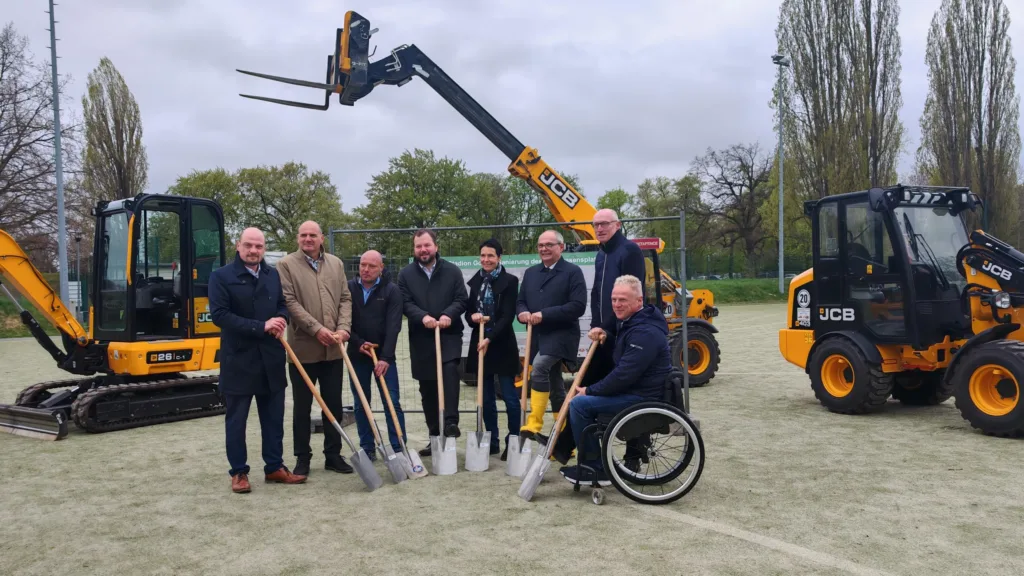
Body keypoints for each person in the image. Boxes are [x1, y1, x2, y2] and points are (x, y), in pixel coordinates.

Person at [208, 227, 307, 493]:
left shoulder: (272, 275)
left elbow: (282, 305)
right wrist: (261, 326)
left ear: (264, 249)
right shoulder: (221, 277)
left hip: (271, 360)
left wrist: (281, 319)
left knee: (274, 418)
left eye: (259, 246)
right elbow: (220, 315)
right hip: (239, 361)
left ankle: (274, 467)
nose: (254, 251)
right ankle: (239, 472)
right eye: (249, 245)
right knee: (237, 421)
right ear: (238, 246)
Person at [561, 274, 673, 485]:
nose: (617, 304)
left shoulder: (645, 332)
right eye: (614, 299)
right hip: (636, 390)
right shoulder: (633, 322)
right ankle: (588, 457)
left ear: (639, 301)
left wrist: (591, 390)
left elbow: (624, 375)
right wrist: (608, 337)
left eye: (623, 300)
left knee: (579, 404)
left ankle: (596, 467)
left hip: (641, 397)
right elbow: (626, 358)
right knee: (583, 401)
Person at [276, 221, 355, 476]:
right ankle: (303, 458)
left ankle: (333, 455)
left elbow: (345, 298)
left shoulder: (336, 263)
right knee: (302, 406)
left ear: (321, 238)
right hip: (303, 351)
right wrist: (316, 329)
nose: (308, 239)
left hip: (333, 349)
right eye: (303, 235)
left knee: (333, 404)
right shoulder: (286, 265)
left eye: (313, 235)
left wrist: (343, 329)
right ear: (298, 238)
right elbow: (288, 301)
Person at [396, 228, 470, 456]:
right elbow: (405, 302)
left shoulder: (452, 271)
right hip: (422, 337)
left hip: (448, 335)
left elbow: (461, 299)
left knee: (449, 373)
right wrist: (423, 317)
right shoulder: (405, 274)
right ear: (414, 249)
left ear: (436, 246)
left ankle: (450, 423)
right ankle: (435, 435)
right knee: (427, 389)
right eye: (418, 246)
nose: (423, 250)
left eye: (427, 245)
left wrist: (448, 314)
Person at [515, 230, 587, 444]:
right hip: (537, 336)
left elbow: (578, 306)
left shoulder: (572, 272)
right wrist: (522, 313)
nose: (544, 249)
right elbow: (521, 301)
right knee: (556, 388)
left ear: (561, 247)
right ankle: (562, 441)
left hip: (562, 335)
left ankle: (534, 423)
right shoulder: (531, 272)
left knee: (539, 366)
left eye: (549, 245)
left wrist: (544, 314)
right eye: (540, 245)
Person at [347, 249, 406, 460]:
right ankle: (368, 448)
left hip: (384, 357)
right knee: (361, 402)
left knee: (392, 401)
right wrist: (358, 342)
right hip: (357, 354)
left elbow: (394, 326)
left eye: (372, 266)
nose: (366, 269)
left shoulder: (391, 291)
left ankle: (399, 448)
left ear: (381, 268)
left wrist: (385, 357)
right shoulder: (349, 288)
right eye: (363, 264)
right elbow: (344, 322)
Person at [464, 238, 520, 459]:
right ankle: (493, 440)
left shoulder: (510, 281)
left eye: (490, 256)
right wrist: (473, 317)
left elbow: (507, 317)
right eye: (483, 256)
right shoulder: (475, 281)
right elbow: (469, 315)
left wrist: (490, 338)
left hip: (502, 343)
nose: (486, 260)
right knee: (485, 398)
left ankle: (513, 440)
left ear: (499, 258)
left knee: (509, 397)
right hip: (480, 344)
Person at [585, 208, 647, 386]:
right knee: (587, 383)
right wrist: (596, 325)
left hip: (624, 332)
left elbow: (631, 296)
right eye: (596, 225)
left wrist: (606, 327)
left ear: (617, 225)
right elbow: (596, 292)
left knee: (615, 384)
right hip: (603, 333)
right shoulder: (601, 254)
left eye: (604, 224)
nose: (599, 229)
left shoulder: (630, 250)